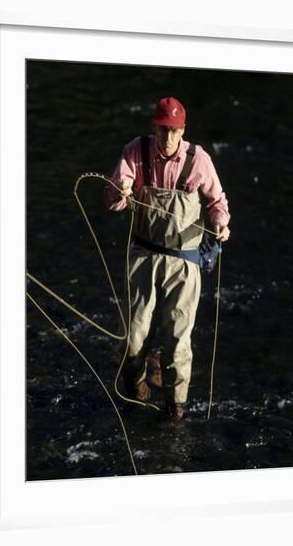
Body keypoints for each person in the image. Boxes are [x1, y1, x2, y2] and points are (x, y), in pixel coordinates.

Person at [104, 96, 231, 422]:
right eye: (163, 130)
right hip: (143, 255)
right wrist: (121, 190)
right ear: (154, 127)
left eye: (174, 131)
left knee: (178, 342)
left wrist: (221, 224)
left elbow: (217, 201)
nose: (168, 138)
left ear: (182, 129)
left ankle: (176, 409)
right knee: (132, 338)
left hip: (184, 262)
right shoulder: (136, 151)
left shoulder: (197, 159)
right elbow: (112, 201)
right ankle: (135, 384)